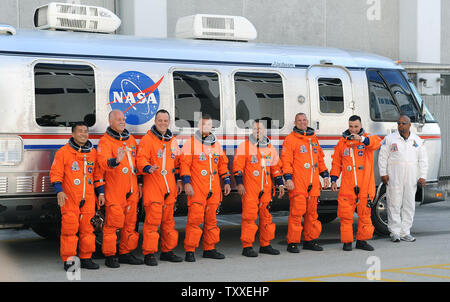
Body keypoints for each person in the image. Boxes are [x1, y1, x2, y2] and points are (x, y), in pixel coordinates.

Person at [95, 110, 143, 268]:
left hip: (132, 188)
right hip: (114, 190)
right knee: (112, 225)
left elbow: (136, 165)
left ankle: (125, 253)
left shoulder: (130, 140)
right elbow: (102, 164)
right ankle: (110, 255)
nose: (122, 122)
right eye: (118, 119)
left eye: (123, 119)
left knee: (130, 224)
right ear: (110, 122)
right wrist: (115, 160)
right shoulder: (105, 141)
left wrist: (140, 184)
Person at [180, 113, 231, 262]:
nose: (206, 127)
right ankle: (190, 250)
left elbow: (222, 164)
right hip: (197, 188)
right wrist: (187, 183)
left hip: (213, 188)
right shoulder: (191, 144)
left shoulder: (216, 144)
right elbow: (185, 164)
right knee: (194, 220)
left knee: (212, 221)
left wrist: (226, 181)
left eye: (208, 125)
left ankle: (210, 248)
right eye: (203, 124)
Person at [136, 109, 184, 266]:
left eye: (165, 120)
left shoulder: (172, 141)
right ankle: (149, 254)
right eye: (160, 120)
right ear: (155, 122)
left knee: (169, 222)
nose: (163, 123)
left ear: (169, 122)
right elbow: (140, 159)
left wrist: (178, 180)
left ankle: (167, 251)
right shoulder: (147, 140)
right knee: (152, 222)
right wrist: (147, 167)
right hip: (154, 185)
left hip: (169, 186)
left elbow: (177, 163)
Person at [50, 122, 99, 271]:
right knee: (69, 230)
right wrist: (59, 190)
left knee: (88, 229)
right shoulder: (63, 152)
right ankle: (69, 260)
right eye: (80, 131)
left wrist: (100, 192)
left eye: (86, 131)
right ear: (72, 134)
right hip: (69, 196)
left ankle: (86, 258)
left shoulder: (93, 153)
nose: (83, 134)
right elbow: (55, 173)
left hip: (88, 197)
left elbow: (97, 174)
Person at [233, 120, 285, 257]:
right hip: (250, 188)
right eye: (255, 129)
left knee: (266, 217)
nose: (258, 131)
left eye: (260, 129)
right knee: (249, 217)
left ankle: (265, 244)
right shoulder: (244, 147)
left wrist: (280, 183)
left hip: (266, 188)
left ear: (264, 131)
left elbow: (275, 168)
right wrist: (239, 184)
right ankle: (247, 246)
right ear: (251, 130)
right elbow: (238, 167)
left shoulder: (269, 147)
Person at [330, 115, 381, 251]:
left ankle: (362, 241)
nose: (353, 130)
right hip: (348, 186)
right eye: (351, 126)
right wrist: (334, 179)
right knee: (346, 215)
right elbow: (336, 163)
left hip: (365, 185)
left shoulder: (367, 139)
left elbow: (377, 143)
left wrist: (362, 139)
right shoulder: (342, 143)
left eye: (356, 126)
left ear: (360, 126)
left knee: (365, 215)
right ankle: (347, 242)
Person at [281, 113, 330, 253]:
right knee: (296, 214)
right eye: (299, 120)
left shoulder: (313, 139)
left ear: (307, 121)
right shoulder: (290, 139)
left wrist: (325, 175)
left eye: (304, 120)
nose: (302, 122)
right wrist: (288, 178)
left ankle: (310, 240)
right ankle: (292, 243)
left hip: (313, 183)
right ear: (295, 122)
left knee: (312, 214)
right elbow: (286, 160)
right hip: (298, 183)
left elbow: (319, 159)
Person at [378, 115, 428, 242]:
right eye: (399, 123)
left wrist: (423, 176)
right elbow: (383, 157)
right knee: (394, 203)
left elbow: (423, 160)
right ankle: (394, 232)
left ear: (409, 125)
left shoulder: (417, 140)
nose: (400, 125)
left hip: (411, 178)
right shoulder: (389, 139)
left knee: (409, 204)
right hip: (394, 177)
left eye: (403, 123)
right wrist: (383, 173)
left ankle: (405, 232)